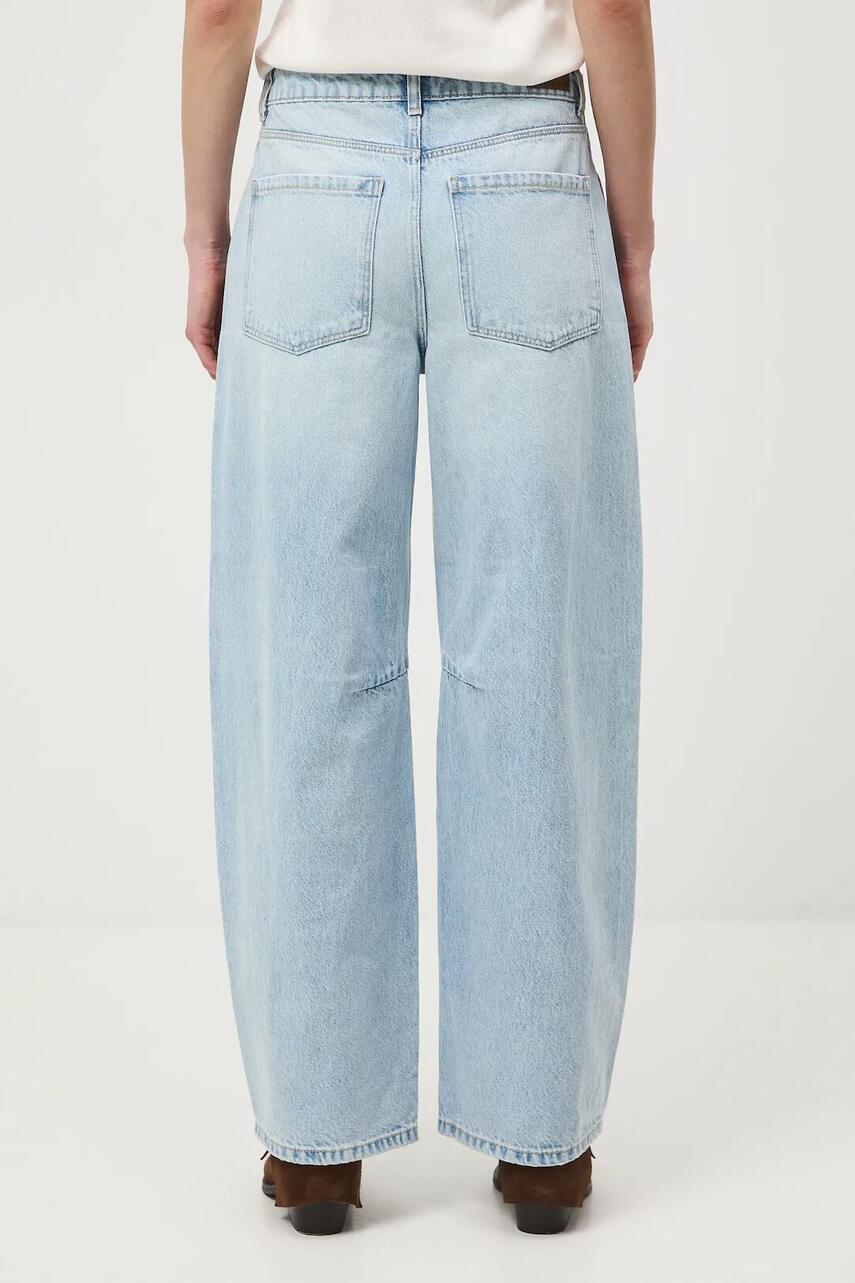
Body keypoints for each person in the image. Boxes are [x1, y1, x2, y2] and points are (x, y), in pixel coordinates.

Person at [182, 0, 654, 1236]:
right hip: (527, 177)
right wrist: (633, 237)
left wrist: (204, 233)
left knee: (307, 661)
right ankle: (544, 1142)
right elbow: (608, 5)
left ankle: (314, 1140)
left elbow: (222, 11)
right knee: (538, 656)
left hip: (313, 178)